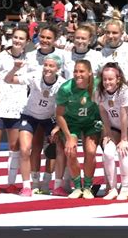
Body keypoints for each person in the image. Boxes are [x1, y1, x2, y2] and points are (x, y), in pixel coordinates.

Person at [4, 54, 66, 196]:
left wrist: (58, 127)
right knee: (25, 149)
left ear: (58, 68)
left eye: (51, 66)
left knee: (59, 150)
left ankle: (57, 186)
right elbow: (8, 79)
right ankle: (27, 186)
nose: (48, 68)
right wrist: (15, 68)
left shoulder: (62, 84)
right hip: (30, 115)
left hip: (49, 118)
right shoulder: (34, 77)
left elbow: (63, 107)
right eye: (46, 65)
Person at [0, 27, 32, 194]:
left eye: (21, 38)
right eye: (16, 37)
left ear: (27, 42)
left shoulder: (29, 59)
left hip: (19, 108)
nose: (17, 41)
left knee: (14, 146)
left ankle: (11, 183)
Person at [26, 25, 67, 193]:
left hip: (53, 110)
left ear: (54, 40)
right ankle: (34, 182)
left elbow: (67, 82)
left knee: (53, 147)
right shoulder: (29, 56)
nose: (45, 40)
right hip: (33, 108)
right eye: (42, 37)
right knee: (35, 146)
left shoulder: (63, 56)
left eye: (48, 38)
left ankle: (48, 182)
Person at [55, 59, 102, 199]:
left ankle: (87, 186)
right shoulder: (65, 88)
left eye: (81, 71)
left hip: (91, 122)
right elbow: (59, 114)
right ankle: (77, 186)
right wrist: (69, 137)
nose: (78, 74)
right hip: (72, 122)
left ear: (90, 73)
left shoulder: (98, 85)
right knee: (70, 150)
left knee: (91, 151)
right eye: (75, 71)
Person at [96, 62, 128, 200]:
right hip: (114, 126)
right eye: (105, 79)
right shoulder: (99, 91)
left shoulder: (124, 91)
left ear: (118, 79)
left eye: (111, 79)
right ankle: (113, 188)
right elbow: (103, 112)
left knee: (123, 150)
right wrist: (107, 133)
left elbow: (124, 115)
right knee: (108, 153)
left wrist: (124, 139)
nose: (107, 82)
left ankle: (125, 188)